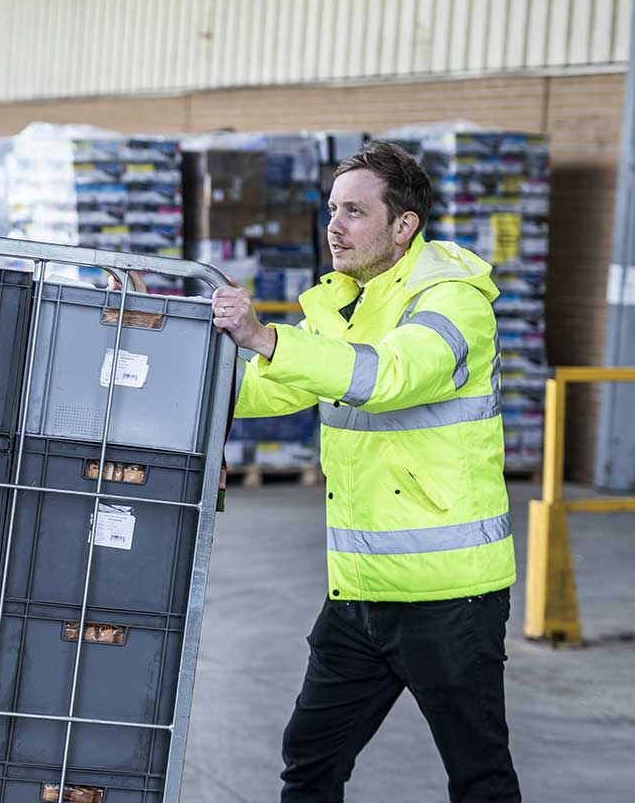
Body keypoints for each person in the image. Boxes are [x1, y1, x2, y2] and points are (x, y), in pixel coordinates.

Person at [212, 141, 521, 802]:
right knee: (309, 760)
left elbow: (388, 377)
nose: (334, 226)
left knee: (479, 778)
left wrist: (268, 338)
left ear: (403, 224)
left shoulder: (453, 302)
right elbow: (277, 389)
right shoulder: (347, 301)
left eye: (355, 211)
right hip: (361, 595)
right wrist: (177, 363)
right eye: (331, 209)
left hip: (449, 599)